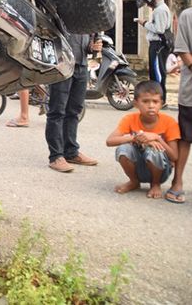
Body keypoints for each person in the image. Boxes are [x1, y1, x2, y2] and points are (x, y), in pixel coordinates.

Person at [106, 80, 180, 199]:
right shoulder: (130, 119)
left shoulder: (169, 122)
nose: (151, 105)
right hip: (139, 167)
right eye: (145, 101)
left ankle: (155, 184)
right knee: (123, 149)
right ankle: (134, 181)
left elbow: (174, 156)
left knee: (154, 151)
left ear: (161, 103)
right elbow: (110, 141)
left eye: (155, 101)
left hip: (160, 170)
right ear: (135, 103)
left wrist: (157, 138)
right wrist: (135, 138)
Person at [45, 33, 102, 172]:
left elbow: (87, 44)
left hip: (81, 65)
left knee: (74, 111)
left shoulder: (87, 20)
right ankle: (56, 156)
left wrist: (93, 47)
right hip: (61, 64)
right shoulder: (63, 12)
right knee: (57, 111)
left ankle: (71, 152)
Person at [166, 7, 192, 203]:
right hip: (190, 92)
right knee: (185, 138)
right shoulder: (188, 16)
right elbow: (183, 50)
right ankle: (177, 181)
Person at [136, 0, 172, 104]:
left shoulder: (160, 10)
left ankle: (160, 100)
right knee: (156, 72)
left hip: (158, 45)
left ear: (152, 0)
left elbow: (159, 29)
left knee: (157, 73)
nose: (147, 5)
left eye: (147, 2)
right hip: (158, 45)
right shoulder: (161, 8)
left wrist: (144, 23)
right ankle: (158, 99)